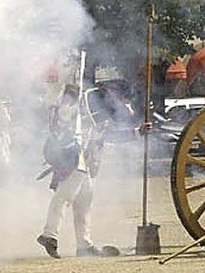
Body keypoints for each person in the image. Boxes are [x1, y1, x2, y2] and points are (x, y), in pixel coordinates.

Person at [37, 82, 150, 259]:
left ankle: (84, 245)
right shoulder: (69, 111)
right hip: (74, 161)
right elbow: (61, 122)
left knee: (84, 203)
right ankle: (49, 235)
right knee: (64, 197)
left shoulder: (92, 116)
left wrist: (137, 132)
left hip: (85, 163)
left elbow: (110, 135)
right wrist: (70, 101)